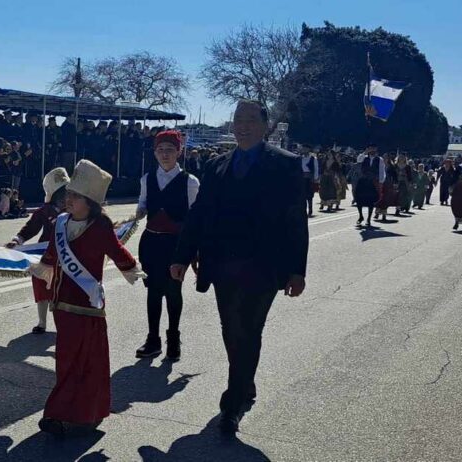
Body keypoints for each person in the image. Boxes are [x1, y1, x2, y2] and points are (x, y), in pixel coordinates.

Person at [169, 100, 308, 434]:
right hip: (223, 265)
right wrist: (181, 255)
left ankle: (233, 403)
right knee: (231, 328)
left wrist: (297, 270)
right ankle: (245, 382)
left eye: (250, 120)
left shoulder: (285, 165)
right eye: (237, 120)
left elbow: (295, 219)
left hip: (264, 266)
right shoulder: (217, 165)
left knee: (249, 328)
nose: (242, 126)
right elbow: (199, 215)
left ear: (264, 126)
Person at [28, 159, 143, 436]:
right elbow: (52, 255)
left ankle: (80, 411)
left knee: (89, 361)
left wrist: (133, 270)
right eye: (68, 195)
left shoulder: (101, 225)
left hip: (88, 305)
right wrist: (40, 267)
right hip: (62, 305)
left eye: (75, 197)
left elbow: (117, 252)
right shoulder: (59, 223)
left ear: (90, 202)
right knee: (66, 360)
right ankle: (58, 412)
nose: (68, 200)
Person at [133, 130, 199, 360]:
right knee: (153, 291)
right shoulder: (147, 179)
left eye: (170, 150)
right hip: (151, 242)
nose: (165, 154)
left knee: (173, 291)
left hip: (176, 245)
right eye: (160, 150)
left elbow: (194, 218)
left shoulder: (190, 182)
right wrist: (134, 217)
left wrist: (194, 251)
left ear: (179, 152)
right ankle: (153, 340)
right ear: (154, 153)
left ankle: (173, 339)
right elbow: (143, 206)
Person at [7, 167, 70, 334]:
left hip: (67, 255)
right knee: (41, 285)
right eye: (62, 193)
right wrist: (17, 240)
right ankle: (42, 323)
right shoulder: (44, 211)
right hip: (46, 253)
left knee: (63, 289)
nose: (66, 197)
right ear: (54, 195)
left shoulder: (75, 209)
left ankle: (63, 323)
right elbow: (30, 228)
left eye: (67, 191)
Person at [353, 145, 385, 227]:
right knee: (358, 198)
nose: (372, 150)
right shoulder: (364, 157)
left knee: (370, 201)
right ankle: (360, 216)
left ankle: (368, 219)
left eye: (374, 148)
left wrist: (381, 181)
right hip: (363, 180)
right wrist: (365, 152)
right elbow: (358, 160)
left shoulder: (379, 159)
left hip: (373, 181)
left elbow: (382, 171)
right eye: (370, 148)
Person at [299, 145, 320, 217]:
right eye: (303, 148)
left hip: (310, 178)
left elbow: (316, 169)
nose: (304, 150)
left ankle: (310, 210)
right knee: (302, 195)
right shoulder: (300, 158)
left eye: (305, 149)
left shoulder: (313, 158)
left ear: (308, 150)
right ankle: (303, 210)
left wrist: (315, 178)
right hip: (302, 178)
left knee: (309, 195)